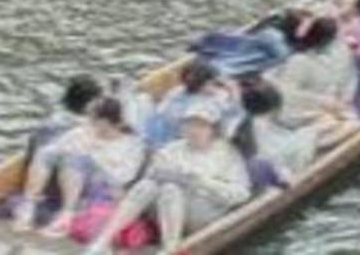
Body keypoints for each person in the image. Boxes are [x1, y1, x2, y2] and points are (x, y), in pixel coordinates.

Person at [85, 100, 251, 255]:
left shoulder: (227, 153)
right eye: (189, 124)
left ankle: (170, 249)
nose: (193, 130)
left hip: (204, 211)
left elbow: (241, 194)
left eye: (201, 125)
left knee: (171, 189)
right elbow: (152, 176)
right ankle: (102, 242)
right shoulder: (171, 149)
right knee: (150, 185)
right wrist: (163, 173)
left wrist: (201, 181)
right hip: (166, 209)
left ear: (213, 129)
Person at [35, 94, 147, 240]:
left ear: (105, 122)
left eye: (92, 119)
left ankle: (67, 213)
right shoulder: (81, 133)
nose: (87, 122)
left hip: (106, 187)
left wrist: (94, 155)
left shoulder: (131, 145)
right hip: (69, 181)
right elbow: (56, 149)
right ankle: (30, 203)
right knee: (49, 152)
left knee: (77, 159)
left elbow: (124, 176)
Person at [13, 74, 105, 231]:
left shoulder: (47, 125)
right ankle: (67, 211)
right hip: (73, 188)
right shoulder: (93, 129)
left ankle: (29, 204)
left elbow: (30, 155)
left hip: (43, 187)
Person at [270, 14, 360, 147]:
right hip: (297, 111)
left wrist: (342, 101)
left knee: (353, 123)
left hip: (322, 108)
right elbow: (288, 94)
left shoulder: (340, 54)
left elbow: (350, 80)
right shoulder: (299, 61)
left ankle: (311, 141)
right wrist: (322, 102)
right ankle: (308, 144)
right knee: (338, 122)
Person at [144, 59, 243, 148]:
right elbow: (234, 114)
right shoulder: (206, 104)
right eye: (213, 83)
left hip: (163, 137)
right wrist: (235, 92)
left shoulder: (176, 92)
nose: (216, 86)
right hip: (184, 143)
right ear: (204, 85)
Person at [237, 79, 315, 190]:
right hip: (278, 167)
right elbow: (280, 151)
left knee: (313, 131)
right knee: (313, 133)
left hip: (267, 164)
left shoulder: (250, 122)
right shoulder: (261, 126)